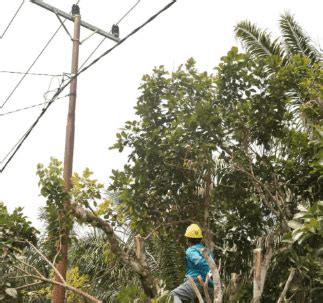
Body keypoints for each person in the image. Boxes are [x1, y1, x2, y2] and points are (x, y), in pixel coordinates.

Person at [171, 224, 214, 303]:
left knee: (174, 294)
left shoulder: (191, 250)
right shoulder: (208, 251)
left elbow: (200, 262)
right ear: (200, 239)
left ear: (188, 240)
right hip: (211, 287)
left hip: (198, 284)